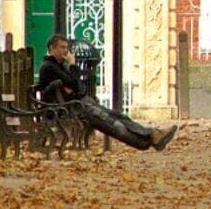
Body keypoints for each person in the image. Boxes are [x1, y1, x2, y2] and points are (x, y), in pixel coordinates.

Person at [39, 31, 175, 152]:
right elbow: (75, 85)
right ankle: (148, 140)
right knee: (115, 125)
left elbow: (79, 87)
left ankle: (152, 135)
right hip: (71, 109)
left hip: (79, 103)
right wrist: (73, 65)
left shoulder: (60, 65)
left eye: (67, 47)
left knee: (120, 117)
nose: (66, 51)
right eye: (62, 47)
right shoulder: (49, 67)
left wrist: (73, 82)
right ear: (52, 48)